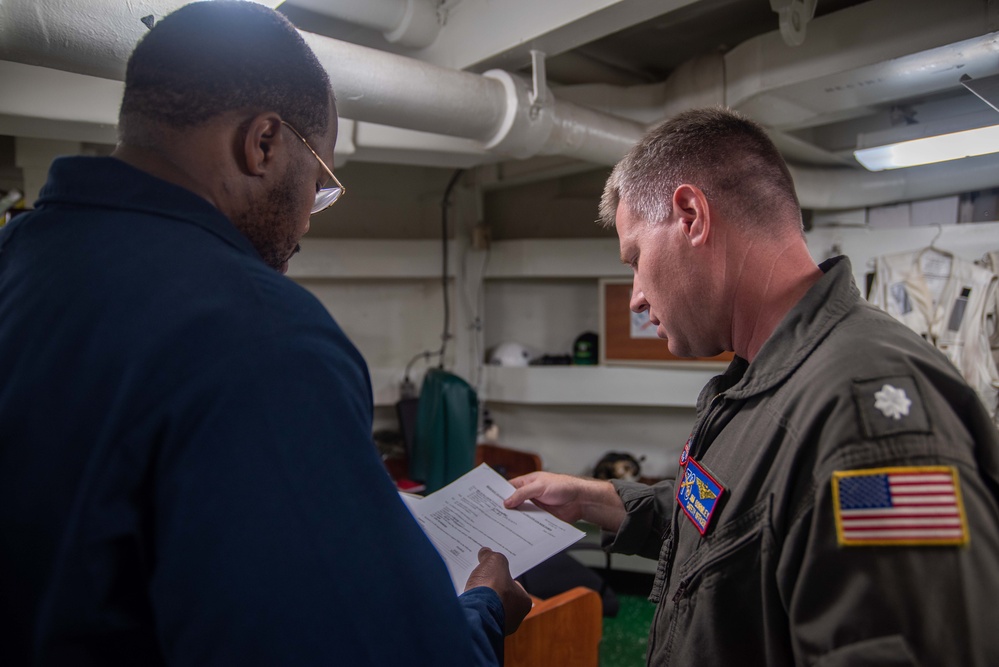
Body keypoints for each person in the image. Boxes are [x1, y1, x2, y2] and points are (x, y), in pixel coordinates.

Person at [0, 2, 530, 665]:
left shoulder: (17, 259)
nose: (308, 222)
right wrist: (482, 609)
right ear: (264, 143)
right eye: (319, 184)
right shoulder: (263, 335)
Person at [505, 107, 999, 666]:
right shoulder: (764, 377)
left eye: (636, 259)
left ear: (691, 216)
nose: (636, 297)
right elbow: (741, 523)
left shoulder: (865, 416)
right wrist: (599, 499)